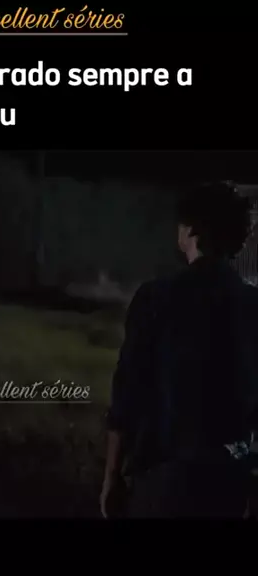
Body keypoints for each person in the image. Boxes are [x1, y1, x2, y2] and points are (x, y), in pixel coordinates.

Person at [100, 181, 258, 518]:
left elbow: (127, 394)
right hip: (228, 480)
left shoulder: (156, 298)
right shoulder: (251, 305)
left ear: (192, 230)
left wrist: (111, 475)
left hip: (162, 478)